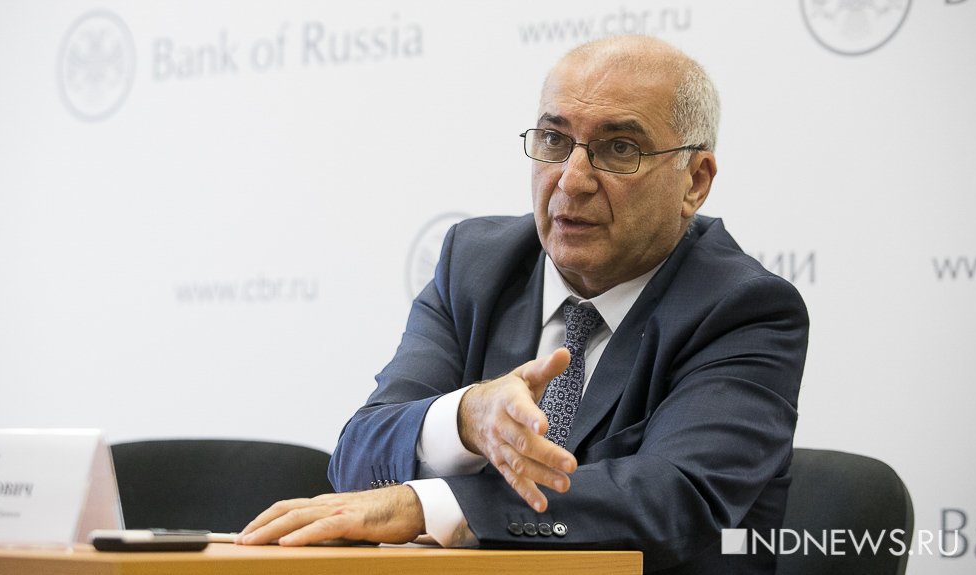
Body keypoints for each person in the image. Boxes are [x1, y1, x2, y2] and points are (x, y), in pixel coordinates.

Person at [238, 35, 809, 574]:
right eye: (555, 141)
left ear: (695, 181)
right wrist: (465, 418)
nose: (572, 180)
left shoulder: (745, 309)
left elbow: (673, 498)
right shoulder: (475, 265)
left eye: (619, 149)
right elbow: (360, 455)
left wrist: (433, 505)